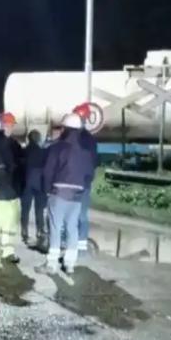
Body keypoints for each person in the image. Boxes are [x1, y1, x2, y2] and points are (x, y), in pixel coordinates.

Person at [36, 113, 95, 274]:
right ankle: (70, 263)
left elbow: (48, 171)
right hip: (77, 194)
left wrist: (47, 190)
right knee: (72, 227)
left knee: (55, 227)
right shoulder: (84, 152)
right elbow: (90, 174)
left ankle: (51, 263)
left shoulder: (57, 148)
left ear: (66, 129)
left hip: (58, 192)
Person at [0, 112, 23, 266]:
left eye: (11, 124)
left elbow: (21, 168)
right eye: (7, 124)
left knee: (9, 225)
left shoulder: (13, 145)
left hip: (11, 193)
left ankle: (7, 251)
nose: (9, 127)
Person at [72, 103, 100, 257]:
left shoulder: (71, 137)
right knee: (81, 215)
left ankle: (72, 245)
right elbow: (94, 161)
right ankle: (80, 247)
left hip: (73, 182)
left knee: (73, 215)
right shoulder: (90, 139)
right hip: (83, 182)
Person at [20, 129, 48, 247]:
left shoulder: (23, 152)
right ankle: (40, 231)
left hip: (26, 183)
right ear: (38, 139)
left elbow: (19, 168)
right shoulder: (43, 152)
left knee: (25, 209)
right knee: (39, 210)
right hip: (39, 184)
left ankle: (24, 231)